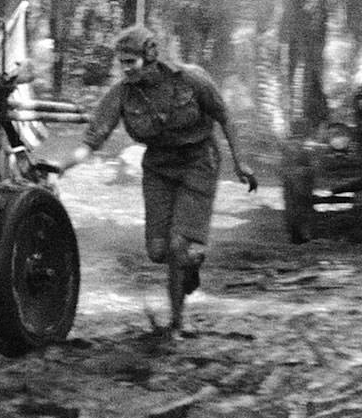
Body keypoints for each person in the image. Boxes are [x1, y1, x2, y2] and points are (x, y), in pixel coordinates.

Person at [59, 24, 258, 335]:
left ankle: (176, 322)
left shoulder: (191, 79)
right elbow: (92, 141)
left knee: (179, 245)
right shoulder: (122, 94)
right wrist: (60, 167)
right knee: (158, 251)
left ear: (150, 56)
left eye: (131, 62)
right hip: (159, 168)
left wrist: (241, 162)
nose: (125, 69)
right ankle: (188, 265)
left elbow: (225, 116)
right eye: (121, 63)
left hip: (199, 161)